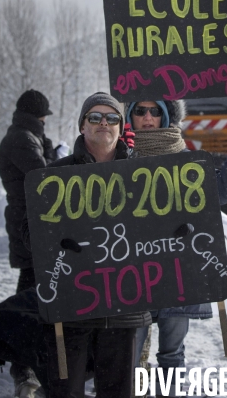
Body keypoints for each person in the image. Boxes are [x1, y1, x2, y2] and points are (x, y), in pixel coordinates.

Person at [126, 98, 227, 398]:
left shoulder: (184, 159)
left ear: (166, 116)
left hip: (178, 273)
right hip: (133, 273)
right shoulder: (118, 154)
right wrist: (121, 156)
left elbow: (222, 191)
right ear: (129, 115)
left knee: (172, 355)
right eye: (139, 110)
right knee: (129, 356)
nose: (147, 117)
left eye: (154, 111)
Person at [36, 92, 151, 398]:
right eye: (95, 117)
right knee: (65, 391)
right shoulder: (54, 175)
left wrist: (178, 233)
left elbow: (159, 228)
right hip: (70, 306)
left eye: (112, 118)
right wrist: (56, 241)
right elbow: (28, 232)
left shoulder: (144, 175)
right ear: (82, 126)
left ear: (121, 127)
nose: (104, 123)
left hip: (124, 305)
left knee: (117, 392)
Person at [0, 89, 57, 398]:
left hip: (29, 224)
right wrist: (54, 155)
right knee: (30, 296)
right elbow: (43, 177)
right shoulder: (23, 138)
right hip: (29, 226)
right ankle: (22, 363)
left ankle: (23, 358)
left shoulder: (22, 135)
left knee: (32, 290)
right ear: (40, 115)